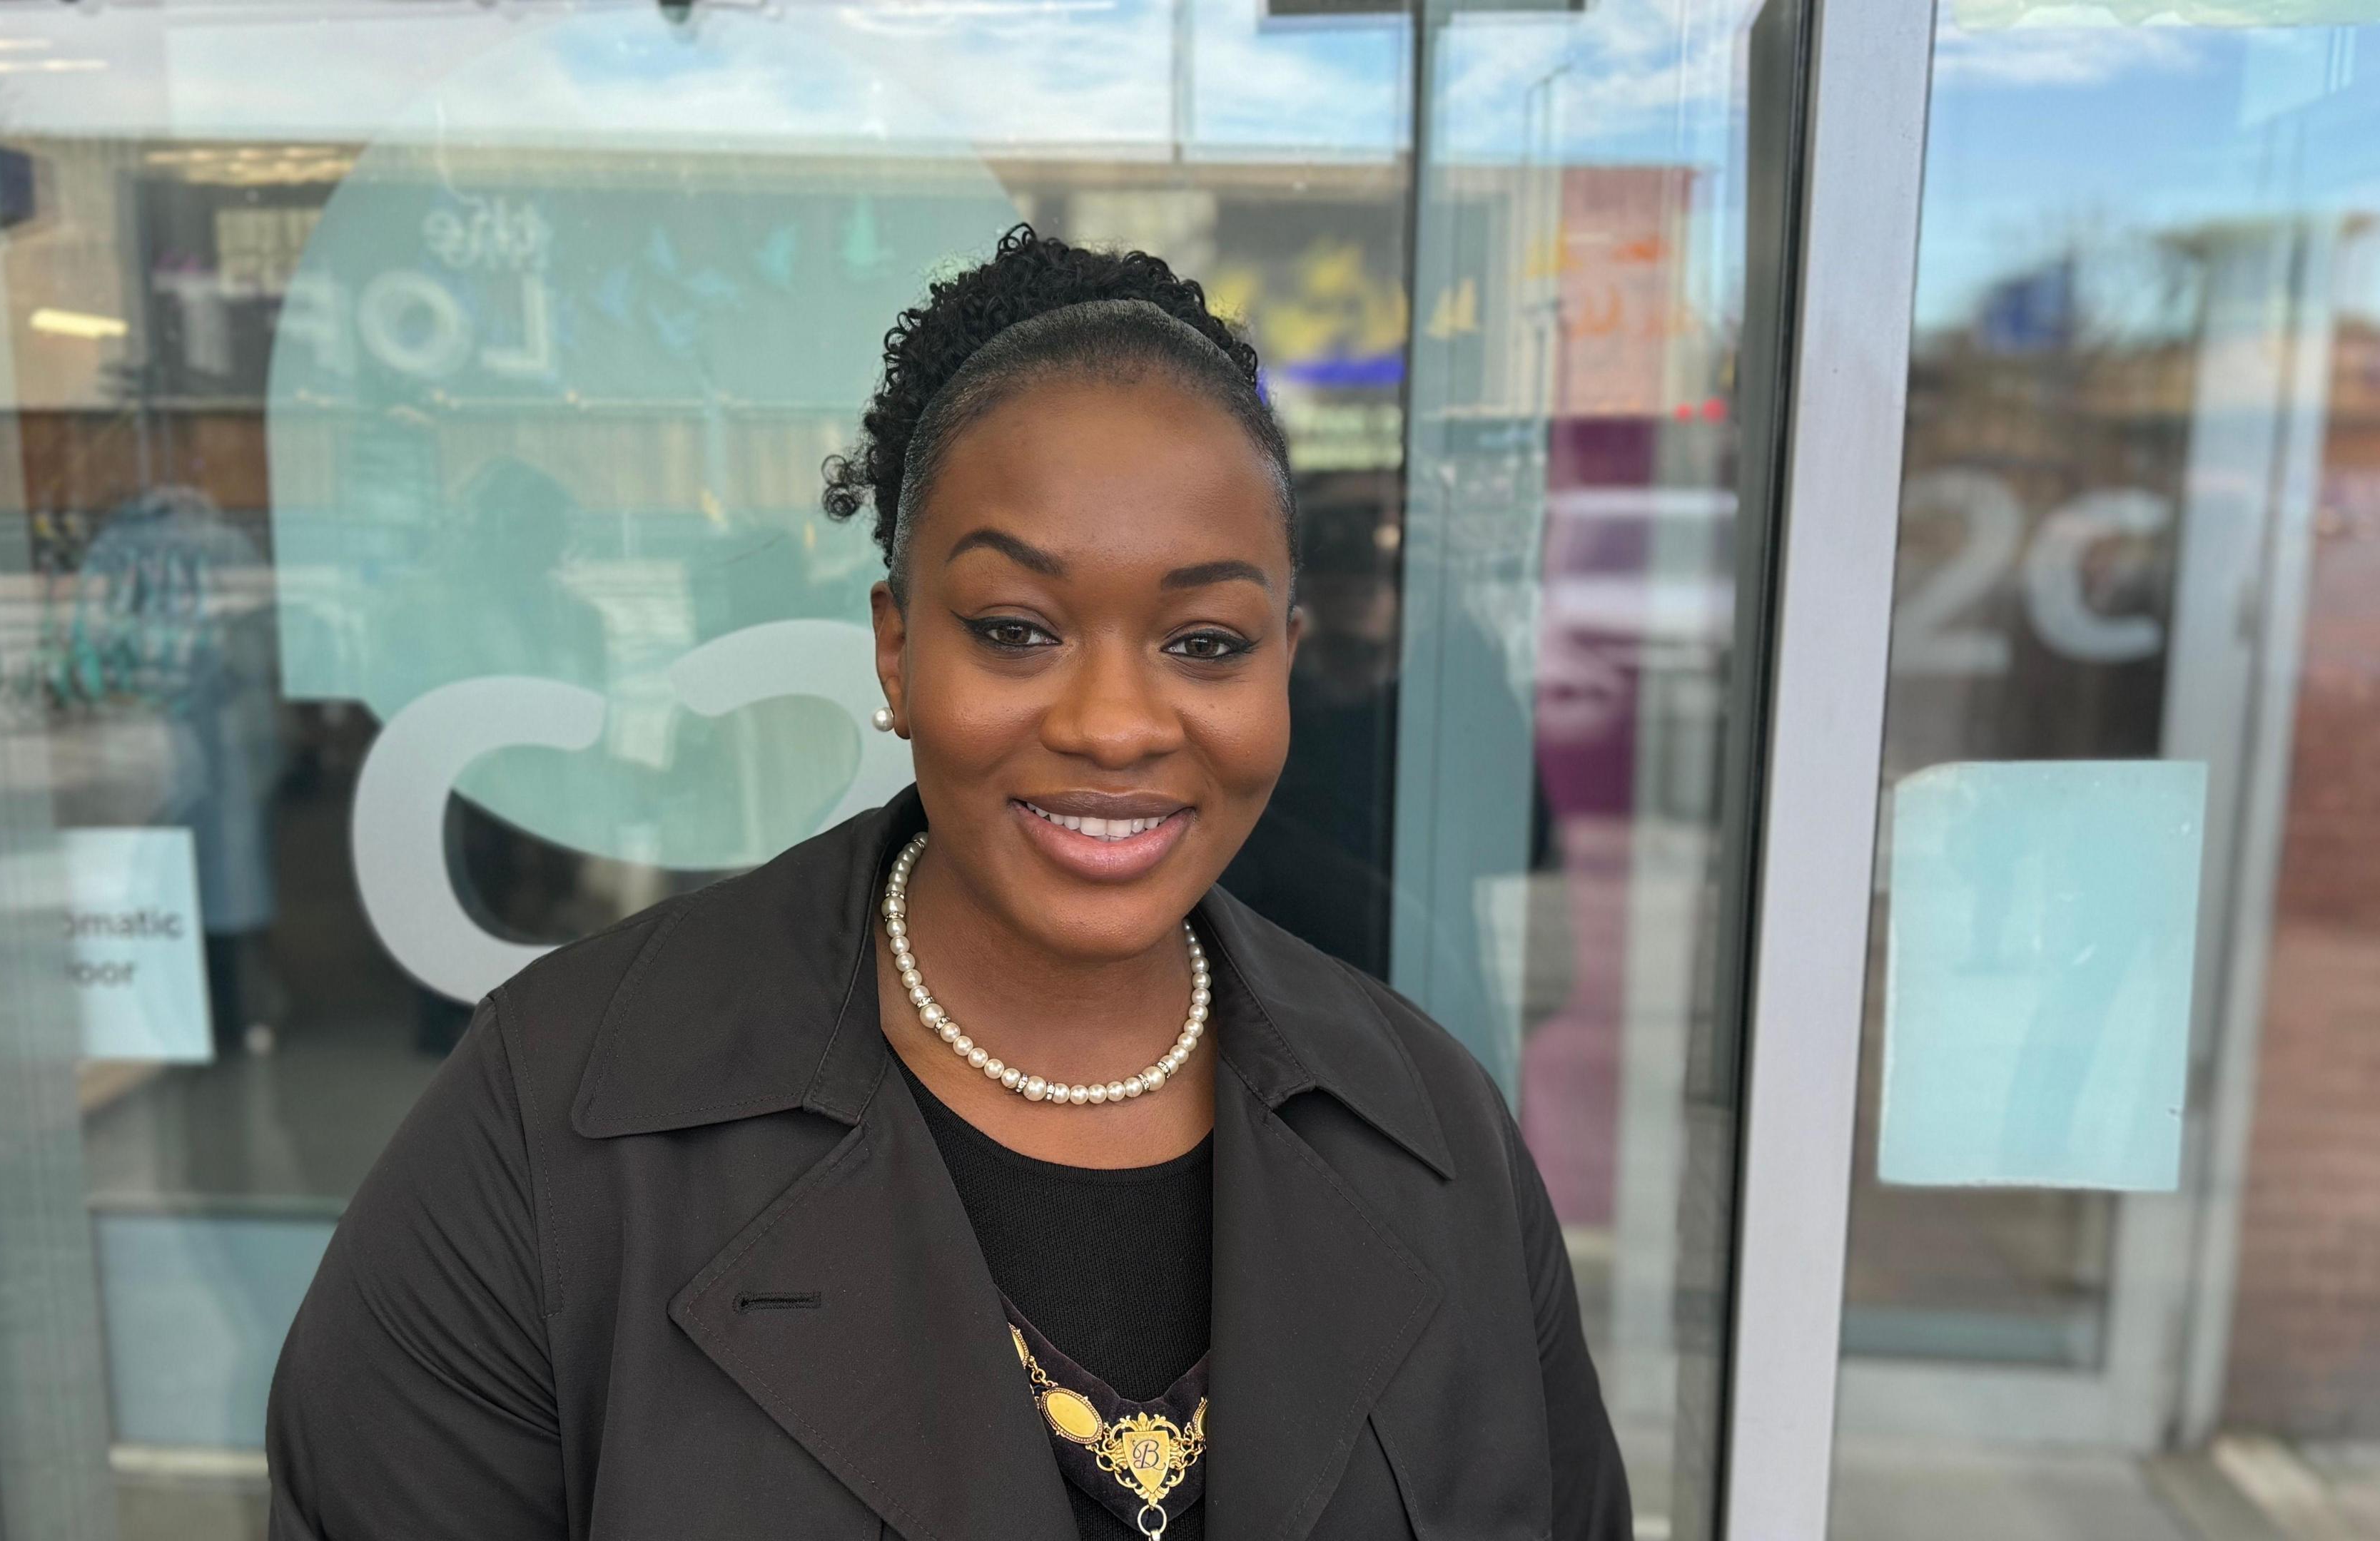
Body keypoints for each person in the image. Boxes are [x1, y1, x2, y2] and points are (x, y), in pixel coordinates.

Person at [267, 228, 1629, 1540]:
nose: (1114, 723)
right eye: (1014, 631)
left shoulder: (1432, 1131)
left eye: (1205, 640)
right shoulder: (552, 1128)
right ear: (898, 650)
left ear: (1285, 658)